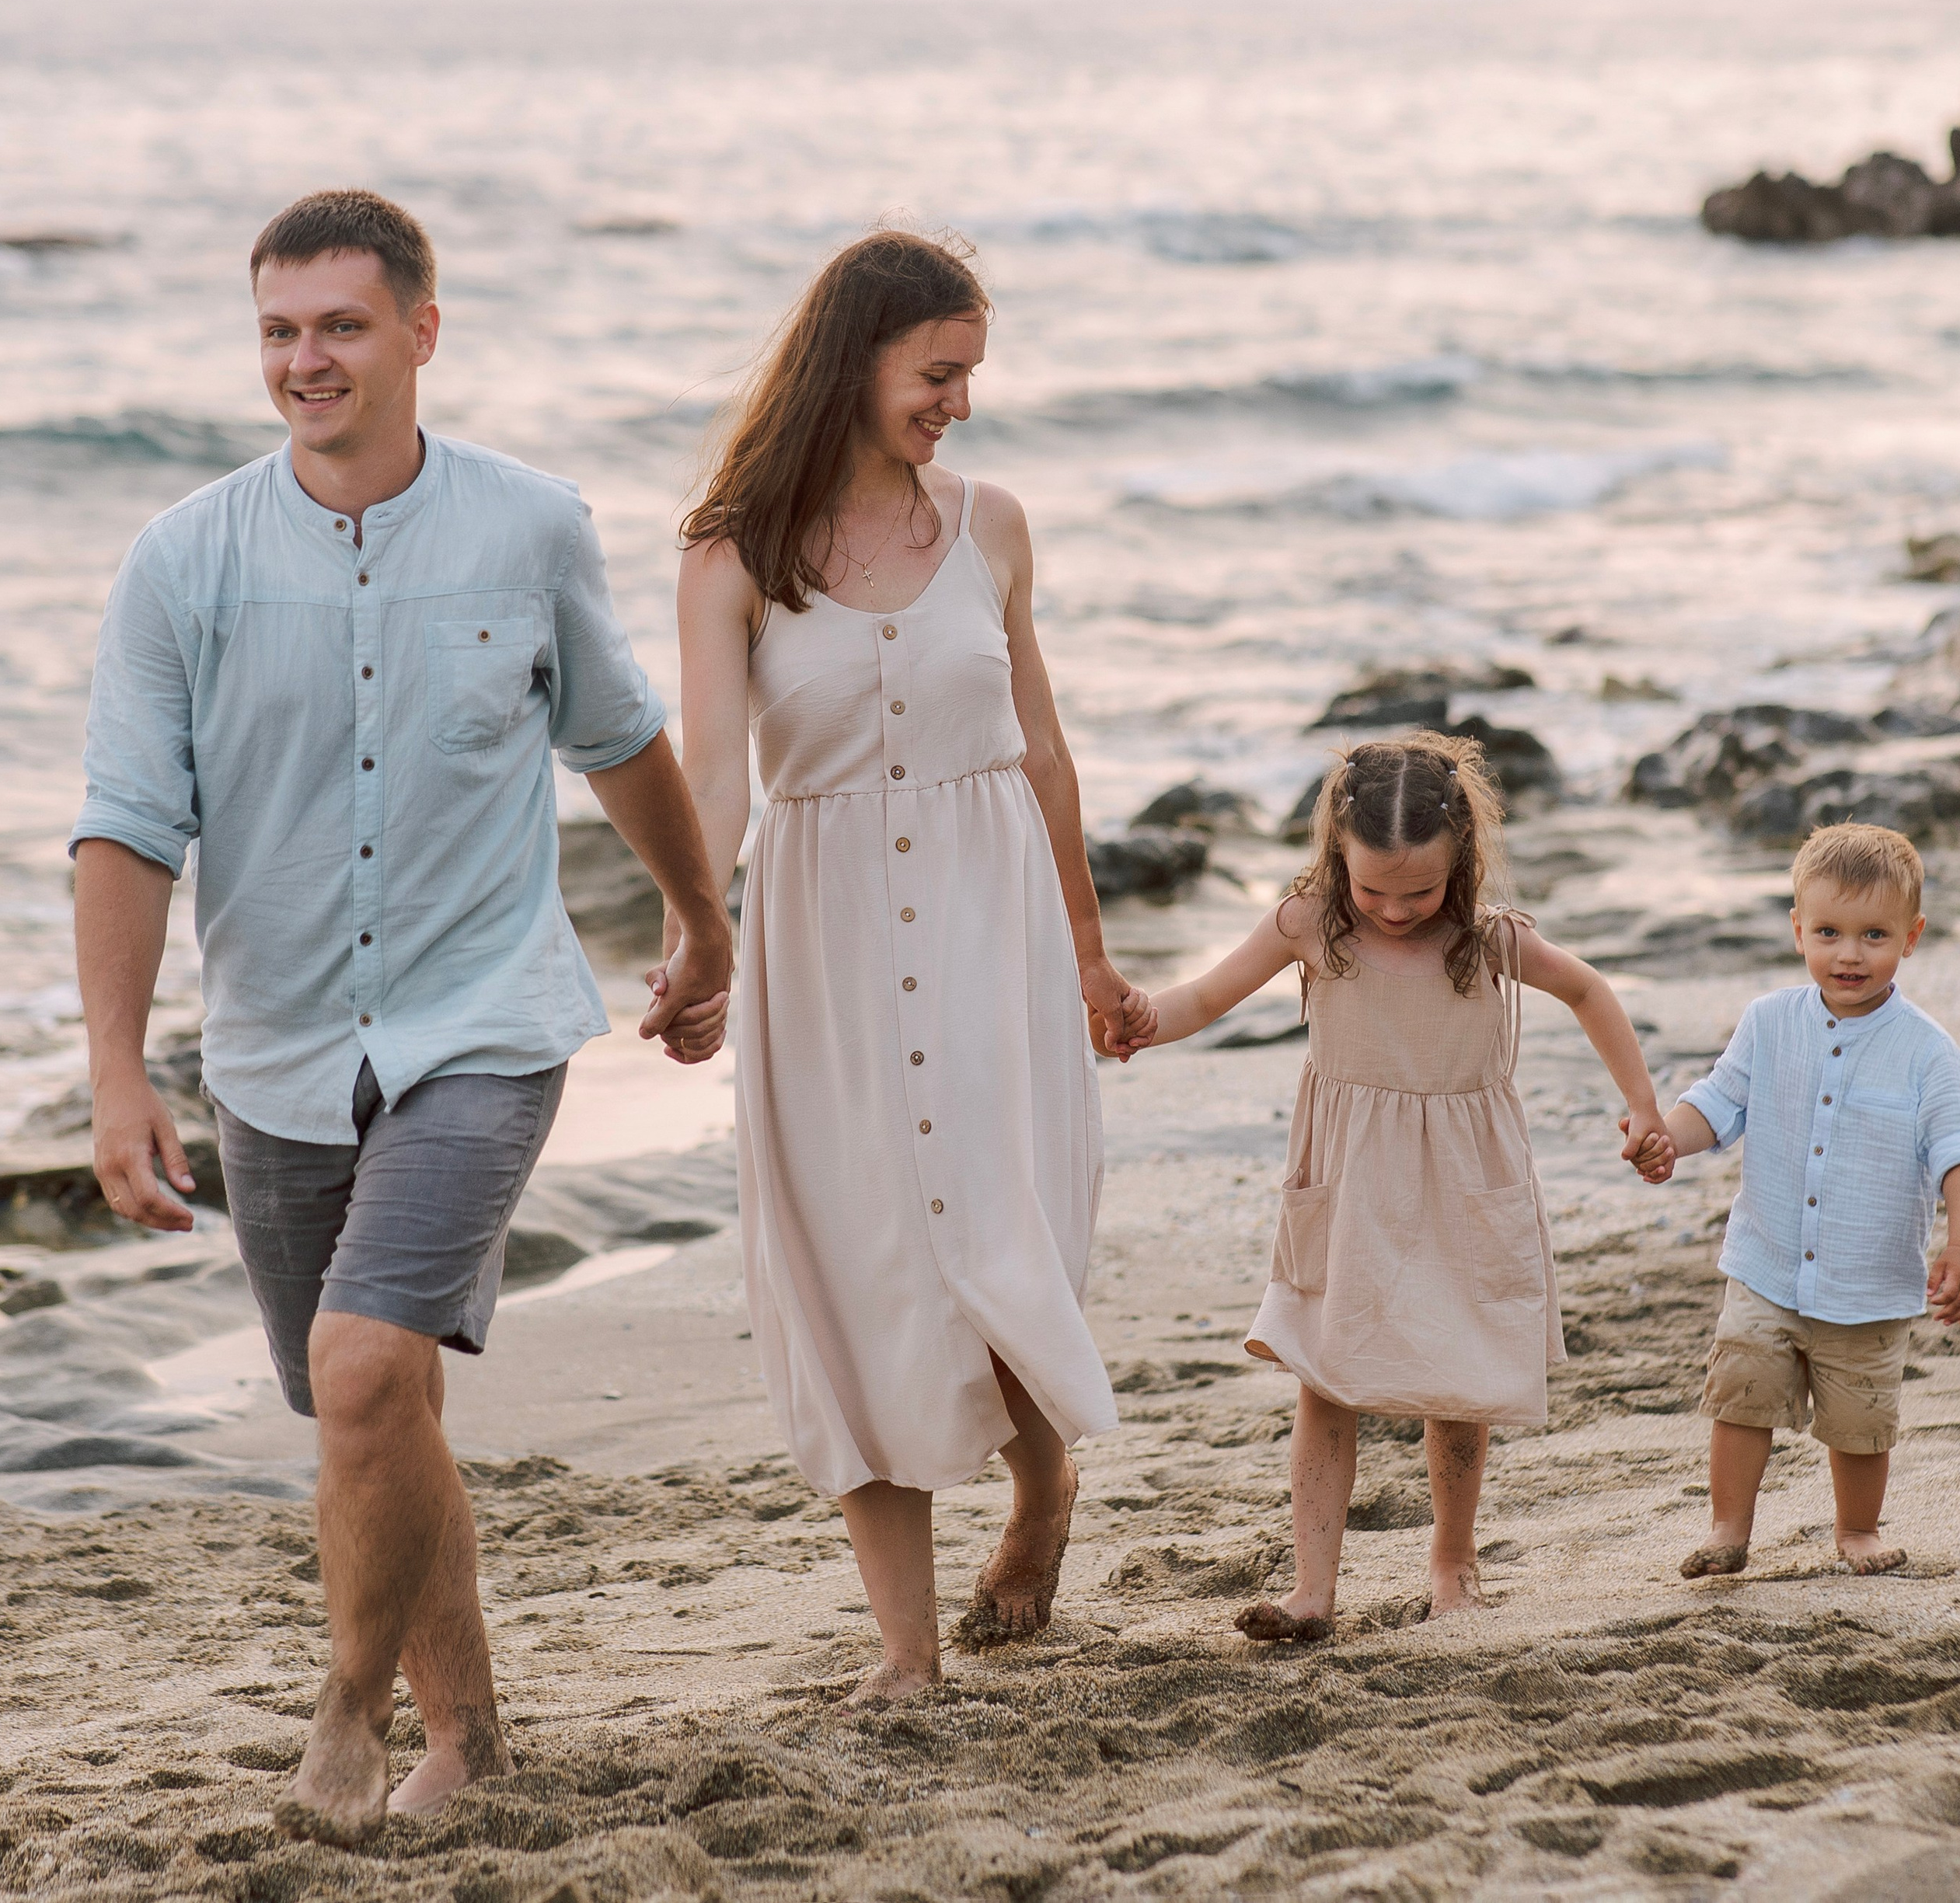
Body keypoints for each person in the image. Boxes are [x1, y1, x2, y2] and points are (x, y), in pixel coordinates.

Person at [71, 189, 732, 1845]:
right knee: (372, 1411)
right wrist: (112, 1077)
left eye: (341, 326)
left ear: (421, 332)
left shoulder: (528, 528)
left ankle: (346, 1719)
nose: (307, 360)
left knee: (365, 1370)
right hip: (276, 1050)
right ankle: (472, 1728)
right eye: (280, 331)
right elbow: (127, 828)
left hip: (482, 1019)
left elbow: (617, 736)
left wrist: (703, 918)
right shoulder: (186, 560)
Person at [669, 228, 1143, 1703]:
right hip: (824, 953)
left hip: (995, 926)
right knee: (858, 1268)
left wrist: (1088, 946)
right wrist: (700, 935)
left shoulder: (991, 524)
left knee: (1003, 1244)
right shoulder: (731, 551)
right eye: (937, 373)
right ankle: (906, 1651)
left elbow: (1044, 748)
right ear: (856, 357)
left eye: (970, 375)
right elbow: (716, 779)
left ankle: (1041, 1490)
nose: (958, 402)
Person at [1114, 732, 1668, 1637]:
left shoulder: (1486, 939)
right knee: (1325, 1377)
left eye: (1421, 890)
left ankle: (1453, 1561)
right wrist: (1138, 1020)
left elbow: (1591, 992)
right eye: (1373, 888)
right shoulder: (1309, 925)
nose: (1396, 908)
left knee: (1458, 1380)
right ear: (1336, 853)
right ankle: (1312, 1589)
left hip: (1462, 1182)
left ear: (1464, 860)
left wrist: (1641, 1105)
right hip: (1348, 1185)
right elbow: (1204, 1000)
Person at [1635, 822, 1960, 1579]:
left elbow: (1953, 1155)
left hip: (1869, 1281)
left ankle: (1856, 1530)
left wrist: (1954, 1241)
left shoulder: (1928, 1051)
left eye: (1873, 934)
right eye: (1828, 932)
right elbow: (1715, 1104)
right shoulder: (1767, 1021)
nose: (1849, 953)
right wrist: (1664, 1141)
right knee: (1740, 1392)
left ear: (1910, 938)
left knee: (1860, 1419)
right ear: (1796, 929)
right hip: (1765, 1260)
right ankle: (1726, 1528)